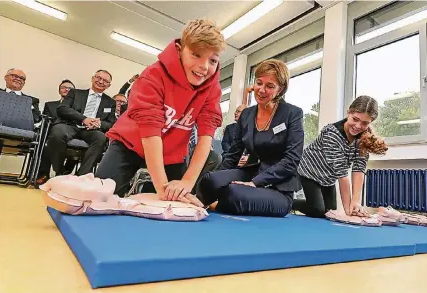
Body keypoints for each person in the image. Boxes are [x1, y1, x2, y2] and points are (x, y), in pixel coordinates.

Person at [95, 18, 226, 204]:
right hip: (130, 144)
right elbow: (150, 134)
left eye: (212, 60)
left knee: (173, 204)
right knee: (100, 195)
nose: (204, 67)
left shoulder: (212, 88)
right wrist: (162, 187)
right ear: (180, 50)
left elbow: (206, 136)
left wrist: (187, 183)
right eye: (196, 55)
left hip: (171, 153)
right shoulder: (154, 76)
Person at [197, 59, 304, 217]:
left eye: (270, 86)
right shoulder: (246, 114)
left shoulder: (292, 114)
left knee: (234, 193)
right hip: (251, 173)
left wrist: (255, 182)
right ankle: (195, 205)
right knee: (209, 180)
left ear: (280, 89)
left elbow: (292, 159)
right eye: (259, 83)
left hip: (278, 188)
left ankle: (215, 205)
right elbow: (234, 154)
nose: (261, 90)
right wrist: (217, 181)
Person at [293, 95, 388, 218]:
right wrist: (349, 212)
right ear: (349, 112)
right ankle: (288, 202)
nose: (358, 126)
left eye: (365, 123)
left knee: (329, 212)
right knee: (318, 210)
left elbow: (359, 170)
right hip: (310, 171)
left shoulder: (364, 138)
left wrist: (355, 203)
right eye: (355, 119)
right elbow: (343, 176)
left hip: (328, 177)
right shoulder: (331, 134)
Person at [46, 70, 116, 176]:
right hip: (71, 125)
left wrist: (99, 123)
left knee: (101, 138)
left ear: (109, 85)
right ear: (93, 78)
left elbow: (111, 123)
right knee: (57, 132)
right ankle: (60, 170)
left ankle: (81, 176)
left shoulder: (110, 102)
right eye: (98, 78)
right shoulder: (75, 93)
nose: (101, 82)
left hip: (91, 130)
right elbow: (62, 108)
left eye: (105, 81)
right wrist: (84, 119)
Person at [36, 79, 79, 184]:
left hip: (71, 134)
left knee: (77, 147)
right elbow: (46, 121)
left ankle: (64, 175)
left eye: (70, 89)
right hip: (53, 133)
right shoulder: (50, 105)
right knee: (47, 142)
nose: (67, 90)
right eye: (64, 87)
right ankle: (44, 174)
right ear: (59, 90)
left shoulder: (78, 108)